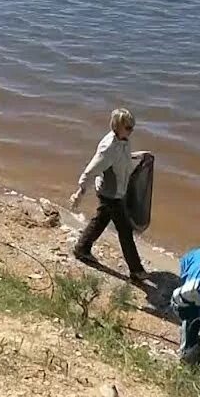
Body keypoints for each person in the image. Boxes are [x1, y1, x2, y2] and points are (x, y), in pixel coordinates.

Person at [70, 108, 152, 283]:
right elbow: (91, 170)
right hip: (110, 194)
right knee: (125, 231)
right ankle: (136, 270)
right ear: (117, 126)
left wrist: (140, 156)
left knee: (101, 220)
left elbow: (122, 159)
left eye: (132, 126)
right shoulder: (108, 147)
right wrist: (80, 191)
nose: (132, 130)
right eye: (128, 127)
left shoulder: (124, 140)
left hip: (117, 192)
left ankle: (82, 248)